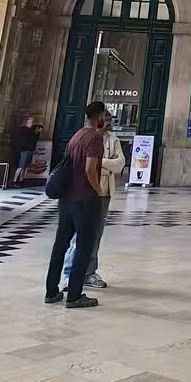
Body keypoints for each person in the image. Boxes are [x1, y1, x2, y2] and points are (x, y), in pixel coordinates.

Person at [45, 102, 107, 310]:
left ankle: (51, 291)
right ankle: (74, 295)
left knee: (61, 244)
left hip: (67, 199)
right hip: (85, 200)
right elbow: (90, 168)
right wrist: (98, 190)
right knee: (83, 247)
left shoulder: (77, 135)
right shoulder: (95, 138)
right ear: (100, 117)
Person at [63, 121, 123, 293]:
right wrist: (104, 164)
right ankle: (69, 273)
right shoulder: (83, 138)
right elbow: (82, 165)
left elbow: (119, 164)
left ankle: (89, 272)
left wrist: (99, 162)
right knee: (78, 234)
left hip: (104, 193)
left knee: (96, 234)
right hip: (84, 192)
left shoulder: (113, 140)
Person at [11, 115, 39, 185]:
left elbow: (34, 139)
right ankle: (15, 181)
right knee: (21, 166)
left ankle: (21, 180)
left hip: (28, 149)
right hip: (24, 150)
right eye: (31, 121)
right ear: (27, 122)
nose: (32, 123)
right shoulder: (23, 130)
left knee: (25, 167)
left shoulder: (30, 130)